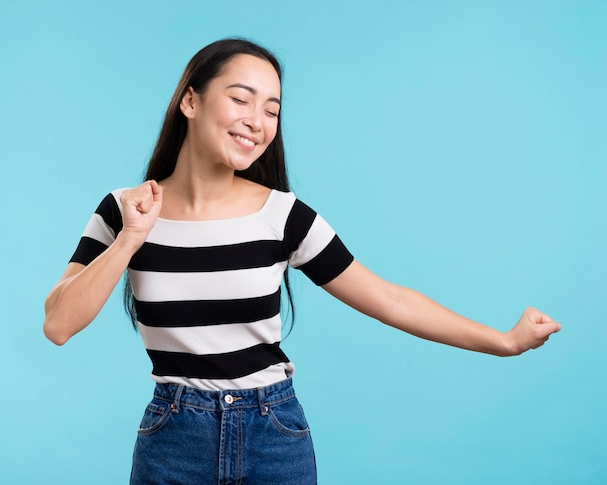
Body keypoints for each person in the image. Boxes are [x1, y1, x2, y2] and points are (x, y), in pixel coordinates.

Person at [43, 38, 561, 484]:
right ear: (190, 102)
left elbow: (390, 300)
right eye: (241, 99)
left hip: (275, 433)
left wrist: (505, 342)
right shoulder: (124, 209)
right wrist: (131, 239)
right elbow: (59, 324)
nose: (257, 121)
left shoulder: (283, 216)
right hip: (173, 436)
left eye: (271, 109)